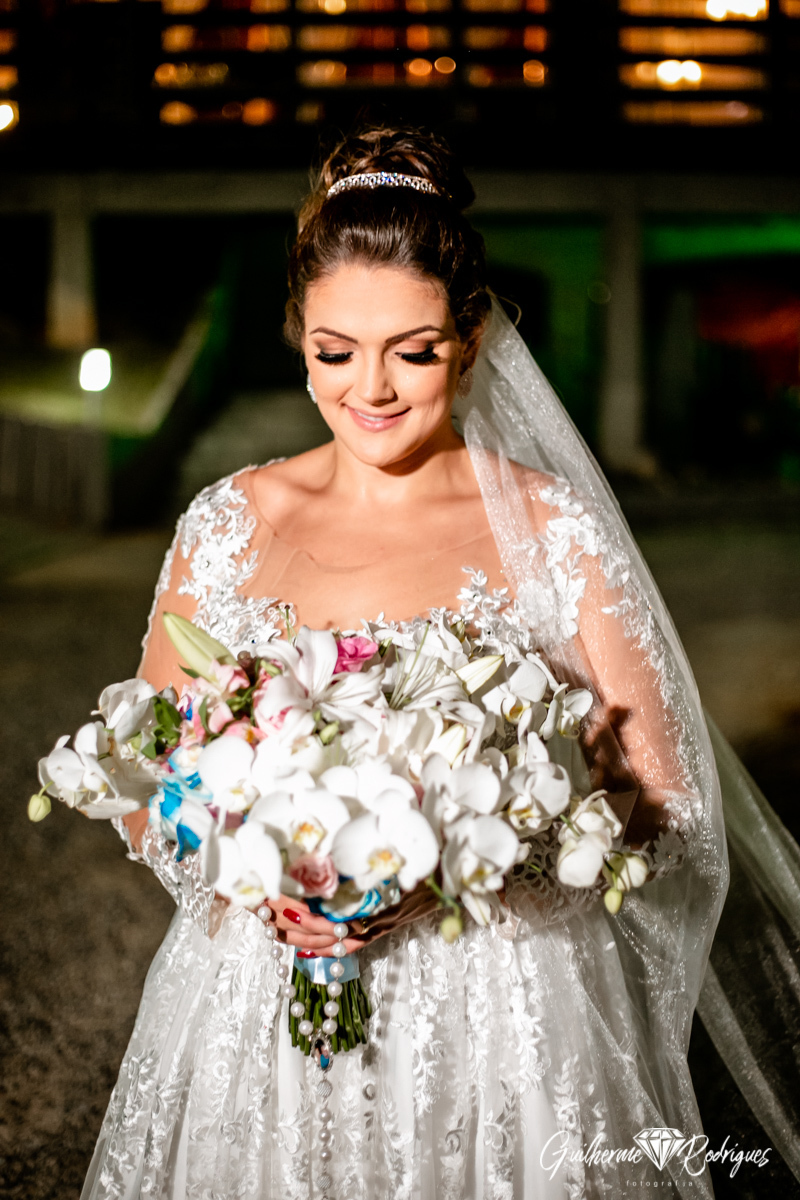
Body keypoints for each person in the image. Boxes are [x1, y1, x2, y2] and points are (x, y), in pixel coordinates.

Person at [80, 125, 742, 1200]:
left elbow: (664, 806)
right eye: (335, 351)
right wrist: (262, 871)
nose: (371, 388)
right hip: (262, 983)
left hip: (499, 1007)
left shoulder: (552, 530)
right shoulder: (228, 524)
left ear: (470, 337)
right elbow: (144, 775)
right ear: (297, 333)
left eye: (413, 349)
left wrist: (457, 861)